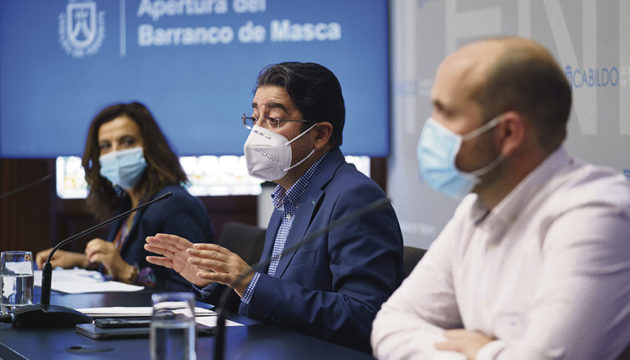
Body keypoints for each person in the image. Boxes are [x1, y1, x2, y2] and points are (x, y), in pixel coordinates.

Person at [371, 37, 630, 359]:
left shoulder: (595, 214)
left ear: (508, 132)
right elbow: (391, 325)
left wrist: (483, 350)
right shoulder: (475, 208)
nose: (432, 127)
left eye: (446, 112)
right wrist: (491, 352)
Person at [144, 62, 404, 351]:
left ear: (320, 135)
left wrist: (249, 281)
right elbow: (273, 299)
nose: (257, 132)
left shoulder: (355, 198)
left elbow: (364, 317)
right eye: (255, 118)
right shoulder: (287, 196)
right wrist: (215, 281)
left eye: (274, 120)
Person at [36, 102, 214, 291]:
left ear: (150, 147)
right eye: (106, 145)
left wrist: (127, 272)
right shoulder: (129, 202)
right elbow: (125, 262)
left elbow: (195, 289)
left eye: (127, 141)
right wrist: (86, 261)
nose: (115, 153)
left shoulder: (174, 204)